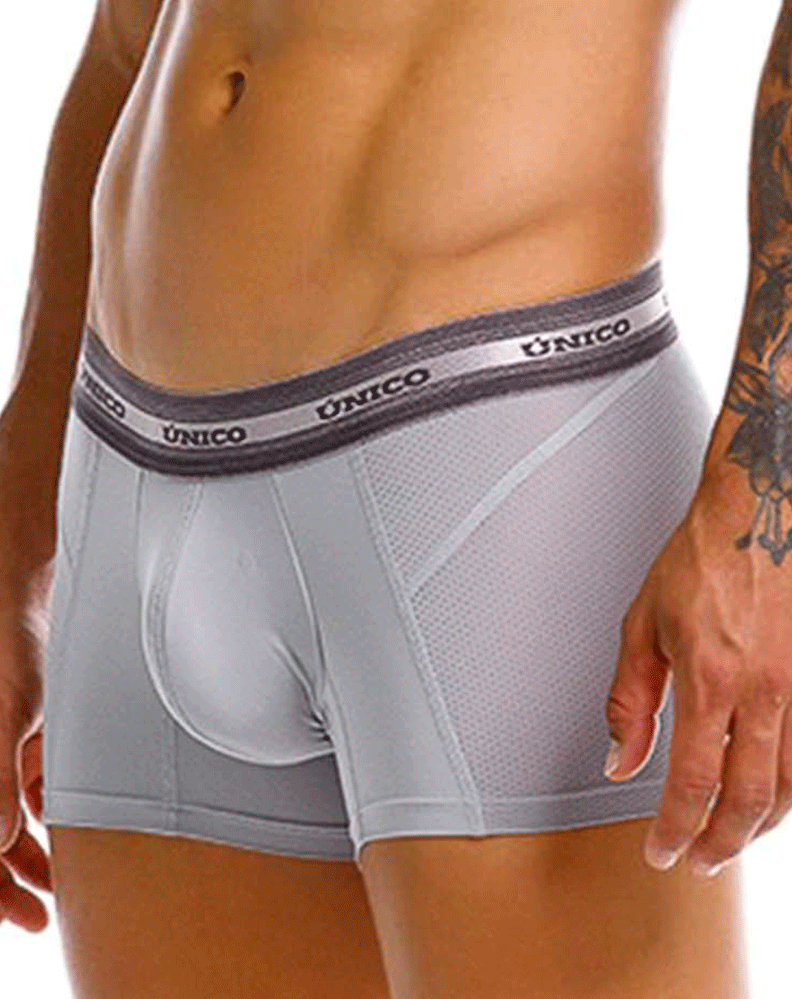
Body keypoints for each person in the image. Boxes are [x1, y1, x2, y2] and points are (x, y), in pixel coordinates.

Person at [2, 0, 790, 994]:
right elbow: (130, 31)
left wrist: (765, 502)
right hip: (126, 463)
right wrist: (17, 529)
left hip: (494, 468)